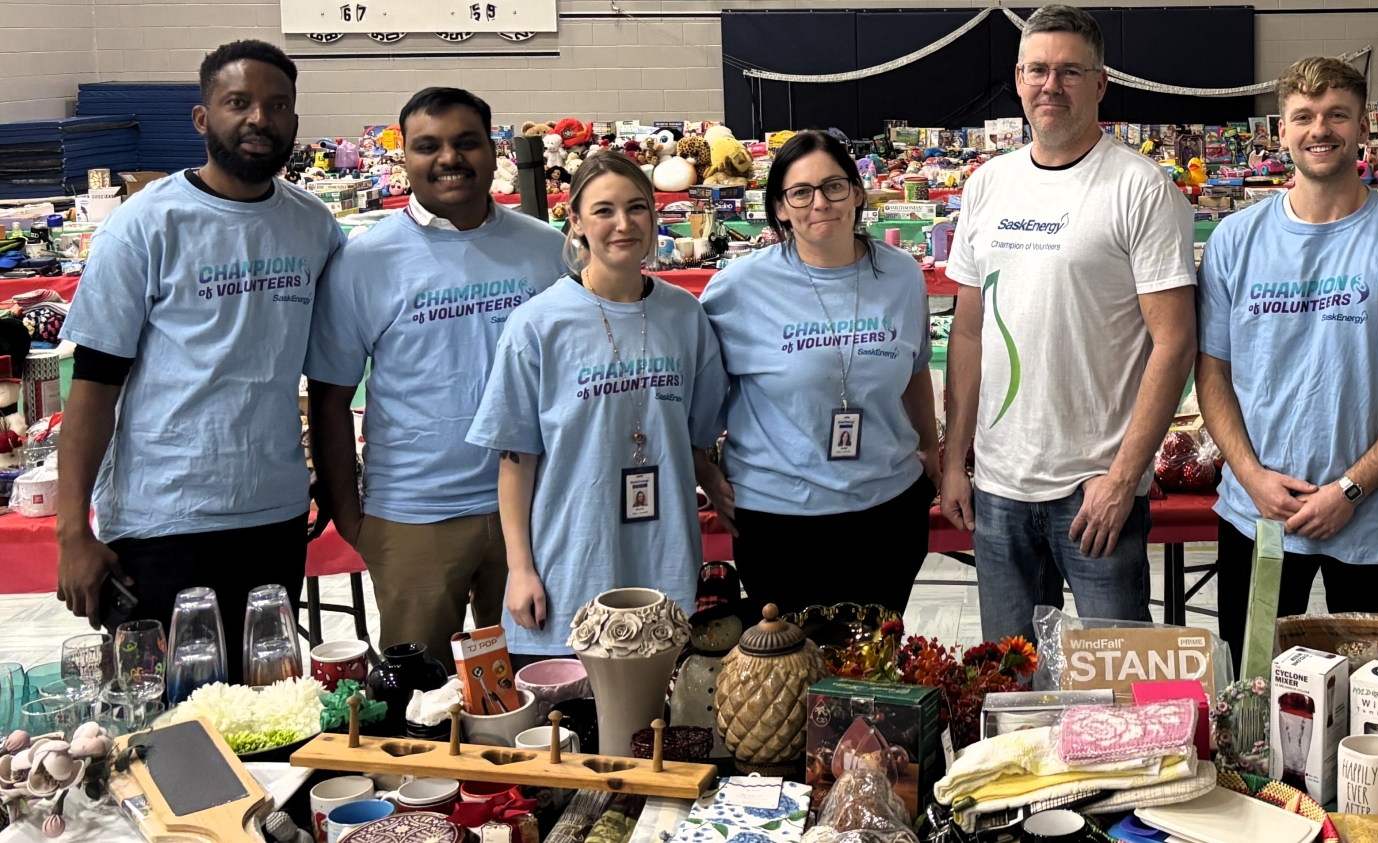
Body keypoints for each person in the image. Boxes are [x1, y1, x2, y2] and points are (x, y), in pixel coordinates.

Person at [54, 40, 344, 678]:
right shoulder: (144, 226)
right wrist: (73, 531)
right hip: (161, 523)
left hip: (273, 515)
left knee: (268, 710)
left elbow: (329, 374)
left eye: (277, 105)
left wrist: (331, 477)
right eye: (238, 103)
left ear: (295, 120)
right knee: (164, 718)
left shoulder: (314, 226)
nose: (259, 119)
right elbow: (94, 388)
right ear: (202, 117)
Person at [1196, 55, 1378, 666]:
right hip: (1260, 517)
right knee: (1254, 690)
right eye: (1304, 116)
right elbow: (1212, 375)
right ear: (1281, 132)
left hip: (1372, 522)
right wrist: (1251, 477)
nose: (1320, 129)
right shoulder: (1235, 240)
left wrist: (1350, 489)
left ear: (1364, 127)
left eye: (1337, 115)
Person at [941, 4, 1198, 642]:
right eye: (1037, 70)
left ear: (1101, 83)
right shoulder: (987, 185)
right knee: (1012, 680)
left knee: (1117, 682)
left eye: (1070, 72)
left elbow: (1174, 342)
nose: (1050, 85)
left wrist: (1123, 478)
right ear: (1018, 79)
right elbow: (967, 333)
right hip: (999, 489)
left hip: (1096, 492)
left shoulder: (1140, 188)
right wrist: (954, 463)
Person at [307, 87, 568, 668]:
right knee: (422, 697)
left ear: (494, 151)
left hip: (537, 511)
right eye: (428, 146)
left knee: (539, 685)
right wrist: (352, 519)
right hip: (414, 517)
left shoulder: (547, 251)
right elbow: (329, 400)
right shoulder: (363, 263)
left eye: (466, 142)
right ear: (405, 156)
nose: (449, 158)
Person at [466, 153, 725, 661]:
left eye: (636, 207)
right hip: (571, 565)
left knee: (661, 707)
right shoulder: (537, 325)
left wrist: (716, 481)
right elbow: (515, 462)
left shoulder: (684, 315)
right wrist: (520, 569)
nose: (623, 224)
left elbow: (694, 438)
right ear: (576, 221)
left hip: (665, 559)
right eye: (604, 210)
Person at [700, 131, 940, 615]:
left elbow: (915, 371)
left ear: (857, 192)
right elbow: (696, 395)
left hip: (888, 513)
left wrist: (931, 450)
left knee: (877, 656)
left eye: (833, 186)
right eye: (800, 192)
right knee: (792, 661)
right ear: (779, 207)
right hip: (779, 520)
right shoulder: (737, 288)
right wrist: (702, 467)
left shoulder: (900, 275)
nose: (820, 203)